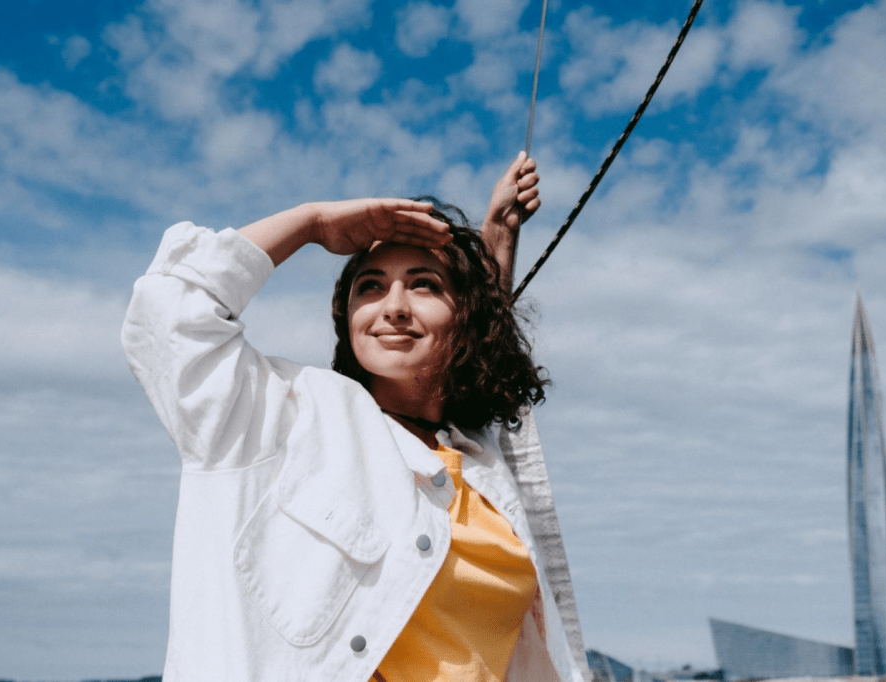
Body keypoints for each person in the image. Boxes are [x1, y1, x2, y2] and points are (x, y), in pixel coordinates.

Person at [121, 153, 585, 682]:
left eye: (424, 285)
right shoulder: (278, 417)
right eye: (370, 286)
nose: (394, 306)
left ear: (466, 317)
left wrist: (497, 238)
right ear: (348, 320)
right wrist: (313, 222)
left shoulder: (481, 461)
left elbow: (479, 359)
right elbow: (168, 313)